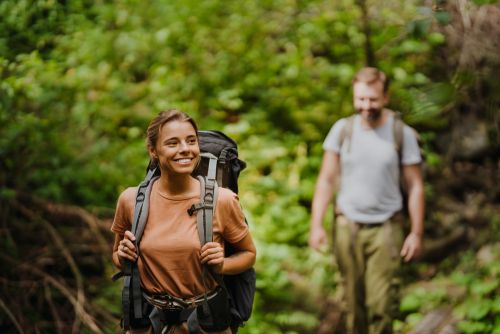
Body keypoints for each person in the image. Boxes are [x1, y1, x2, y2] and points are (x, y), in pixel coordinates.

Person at [111, 109, 256, 334]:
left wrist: (223, 265)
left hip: (207, 322)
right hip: (149, 321)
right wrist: (123, 256)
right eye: (172, 143)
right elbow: (118, 259)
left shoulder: (222, 200)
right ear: (153, 151)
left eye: (191, 141)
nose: (185, 149)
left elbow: (249, 254)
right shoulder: (132, 201)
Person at [309, 67, 425, 334]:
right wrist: (316, 225)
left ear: (385, 97)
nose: (366, 105)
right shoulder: (342, 129)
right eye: (360, 99)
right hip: (347, 226)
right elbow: (326, 179)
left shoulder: (401, 133)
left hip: (385, 228)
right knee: (352, 304)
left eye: (372, 99)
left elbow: (415, 185)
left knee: (381, 304)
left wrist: (416, 233)